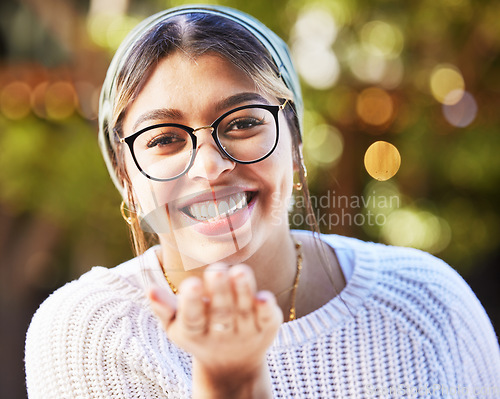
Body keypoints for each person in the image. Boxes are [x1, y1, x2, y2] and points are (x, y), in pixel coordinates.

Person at [25, 5, 500, 399]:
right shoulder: (90, 333)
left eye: (242, 123)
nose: (209, 168)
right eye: (165, 138)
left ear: (294, 144)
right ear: (126, 176)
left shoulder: (428, 305)